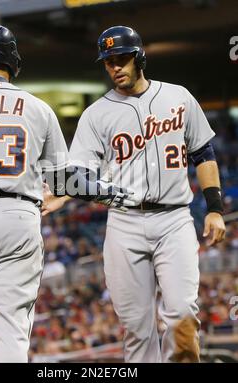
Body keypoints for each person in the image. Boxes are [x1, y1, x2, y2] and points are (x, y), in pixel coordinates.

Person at [0, 24, 138, 363]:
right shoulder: (38, 108)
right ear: (13, 59)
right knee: (12, 333)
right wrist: (116, 193)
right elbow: (65, 182)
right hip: (17, 219)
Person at [42, 25, 226, 362]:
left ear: (139, 56)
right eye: (108, 61)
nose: (114, 67)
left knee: (182, 313)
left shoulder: (178, 96)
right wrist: (63, 193)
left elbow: (203, 154)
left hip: (173, 219)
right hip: (125, 223)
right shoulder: (96, 114)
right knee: (136, 328)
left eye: (121, 59)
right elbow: (79, 170)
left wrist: (214, 207)